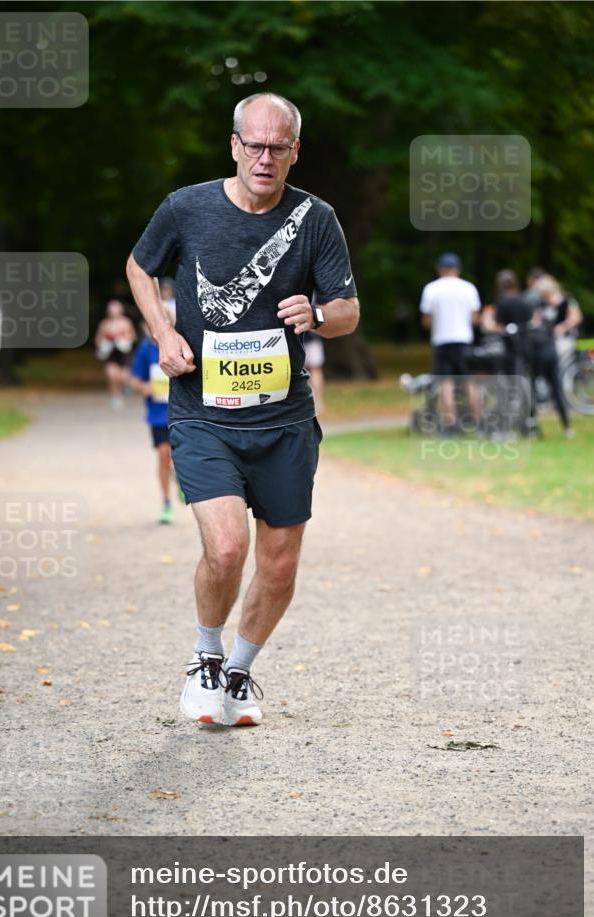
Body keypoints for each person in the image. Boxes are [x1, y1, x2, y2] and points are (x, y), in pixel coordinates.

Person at [126, 92, 359, 727]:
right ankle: (205, 656)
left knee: (279, 564)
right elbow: (140, 268)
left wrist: (317, 313)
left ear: (294, 152)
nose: (264, 158)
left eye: (277, 147)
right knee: (227, 548)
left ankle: (238, 672)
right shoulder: (187, 207)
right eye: (253, 145)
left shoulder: (316, 218)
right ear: (233, 145)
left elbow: (347, 311)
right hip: (203, 413)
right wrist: (162, 333)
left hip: (285, 421)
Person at [419, 252, 481, 433]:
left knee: (445, 383)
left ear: (440, 269)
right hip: (463, 339)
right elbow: (474, 319)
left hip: (442, 340)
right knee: (469, 382)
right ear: (458, 269)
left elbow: (426, 321)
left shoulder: (431, 289)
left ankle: (451, 424)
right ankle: (479, 422)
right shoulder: (469, 288)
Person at [130, 325, 175, 524]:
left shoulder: (181, 342)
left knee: (180, 458)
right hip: (158, 415)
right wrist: (144, 387)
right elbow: (134, 379)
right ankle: (166, 502)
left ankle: (183, 480)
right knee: (164, 456)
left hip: (182, 413)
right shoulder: (145, 348)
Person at [528, 275, 575, 437]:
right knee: (543, 385)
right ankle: (534, 422)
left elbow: (575, 317)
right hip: (547, 345)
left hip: (558, 342)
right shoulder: (540, 304)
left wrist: (562, 327)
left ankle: (566, 425)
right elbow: (535, 320)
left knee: (555, 385)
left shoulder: (565, 301)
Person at [95, 299, 137, 409]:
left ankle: (126, 386)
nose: (113, 312)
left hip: (124, 353)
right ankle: (116, 396)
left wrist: (124, 340)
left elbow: (133, 337)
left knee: (123, 376)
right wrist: (104, 344)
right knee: (112, 375)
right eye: (111, 310)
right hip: (111, 353)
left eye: (116, 309)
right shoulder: (105, 323)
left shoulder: (126, 322)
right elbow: (98, 339)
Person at [303, 331, 325, 414]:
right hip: (313, 338)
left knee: (300, 371)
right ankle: (318, 402)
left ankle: (306, 401)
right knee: (316, 370)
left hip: (296, 340)